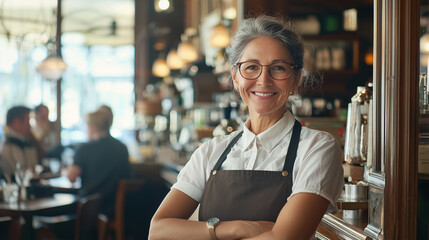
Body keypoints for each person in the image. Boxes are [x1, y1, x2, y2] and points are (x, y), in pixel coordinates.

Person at [149, 15, 344, 240]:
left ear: (296, 78)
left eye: (278, 68)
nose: (263, 80)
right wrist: (237, 228)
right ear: (235, 77)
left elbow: (282, 239)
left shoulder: (316, 147)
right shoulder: (211, 151)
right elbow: (158, 231)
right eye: (251, 67)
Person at [67, 108, 131, 217]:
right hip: (113, 207)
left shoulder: (84, 149)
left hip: (88, 210)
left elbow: (71, 177)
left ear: (92, 127)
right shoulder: (121, 148)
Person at [0, 106, 44, 179]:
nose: (30, 126)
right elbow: (23, 173)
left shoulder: (17, 139)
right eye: (28, 121)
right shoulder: (11, 143)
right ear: (16, 122)